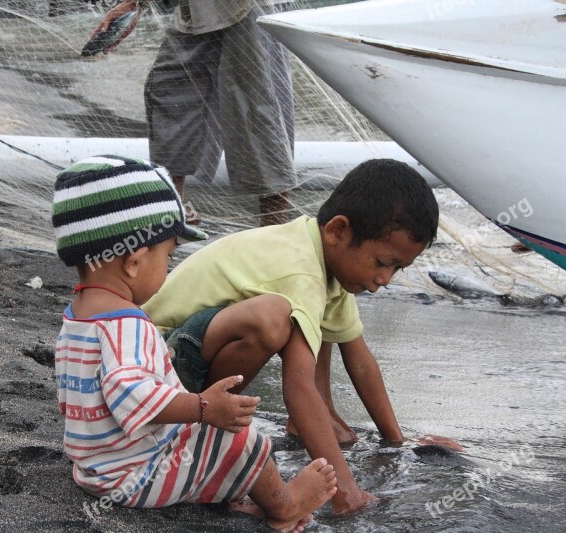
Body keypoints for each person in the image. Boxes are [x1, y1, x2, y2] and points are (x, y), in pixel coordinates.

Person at [142, 158, 464, 515]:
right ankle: (204, 433)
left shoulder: (325, 261)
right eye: (383, 262)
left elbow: (360, 360)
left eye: (398, 268)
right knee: (273, 320)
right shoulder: (301, 270)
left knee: (311, 322)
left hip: (182, 353)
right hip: (156, 363)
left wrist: (397, 441)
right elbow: (297, 385)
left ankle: (306, 419)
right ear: (338, 231)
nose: (385, 279)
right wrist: (345, 492)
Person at [52, 155, 337, 531]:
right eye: (167, 256)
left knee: (201, 440)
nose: (167, 268)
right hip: (135, 476)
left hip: (96, 471)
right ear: (135, 261)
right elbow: (129, 393)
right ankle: (284, 504)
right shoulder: (126, 323)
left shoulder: (78, 317)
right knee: (237, 437)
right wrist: (202, 407)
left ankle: (242, 497)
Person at [90, 0, 297, 226]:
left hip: (248, 7)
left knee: (257, 110)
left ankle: (274, 228)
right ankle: (173, 212)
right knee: (167, 89)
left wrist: (135, 4)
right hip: (198, 9)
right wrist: (136, 6)